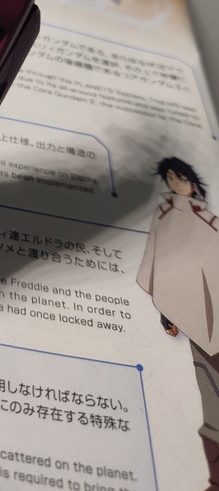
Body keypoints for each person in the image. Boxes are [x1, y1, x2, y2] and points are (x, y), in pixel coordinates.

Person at [137, 156, 219, 490]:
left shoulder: (210, 219)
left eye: (180, 177)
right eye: (169, 177)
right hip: (194, 316)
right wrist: (167, 312)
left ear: (193, 182)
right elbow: (157, 266)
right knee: (210, 391)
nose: (174, 182)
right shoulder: (164, 216)